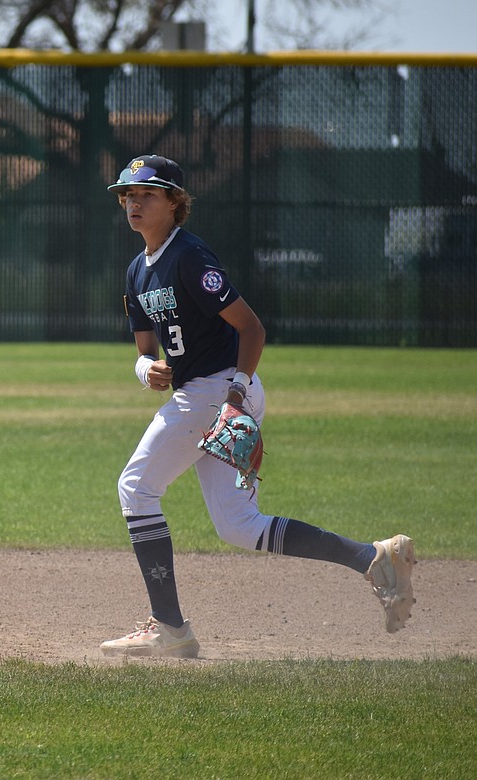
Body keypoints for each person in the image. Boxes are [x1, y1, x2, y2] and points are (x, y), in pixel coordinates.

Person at [100, 154, 416, 658]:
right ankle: (372, 557)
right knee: (239, 527)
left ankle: (170, 628)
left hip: (218, 388)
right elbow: (144, 351)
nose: (133, 202)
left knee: (136, 488)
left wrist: (237, 393)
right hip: (198, 391)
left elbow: (252, 327)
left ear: (175, 203)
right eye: (127, 195)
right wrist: (145, 371)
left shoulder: (190, 257)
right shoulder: (138, 270)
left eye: (147, 194)